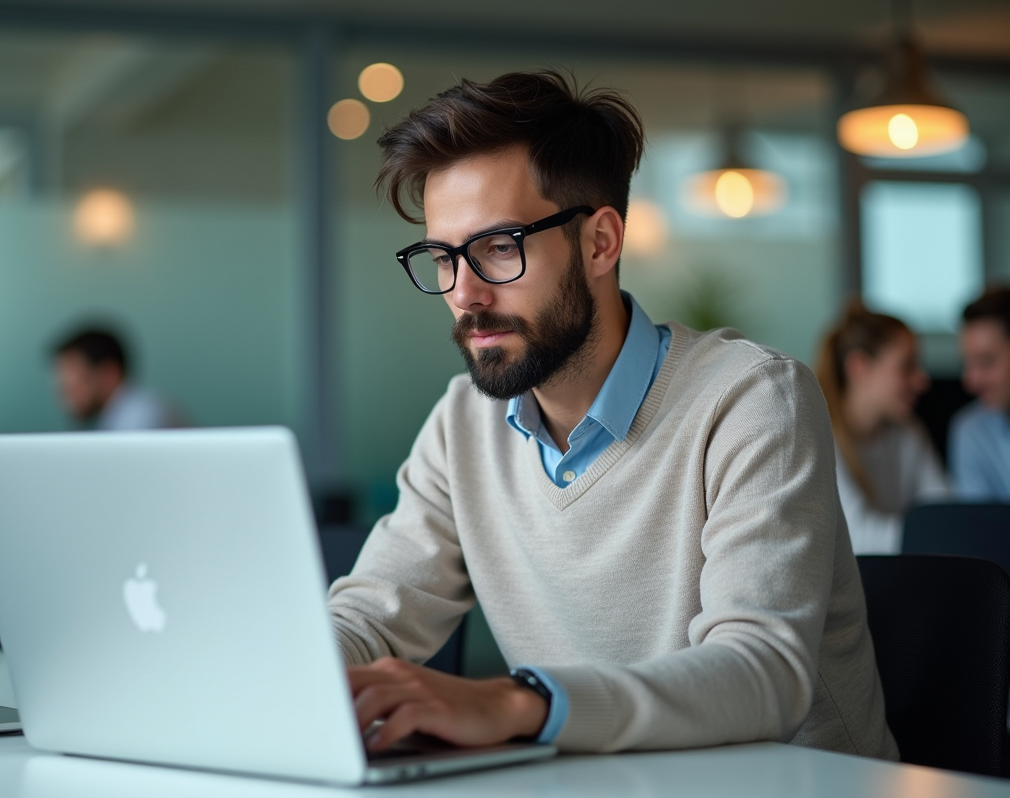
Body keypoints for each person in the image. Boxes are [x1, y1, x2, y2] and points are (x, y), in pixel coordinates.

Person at [328, 71, 896, 760]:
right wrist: (282, 666)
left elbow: (762, 676)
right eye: (442, 257)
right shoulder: (462, 427)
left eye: (499, 248)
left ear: (600, 242)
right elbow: (369, 618)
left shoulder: (751, 399)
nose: (465, 294)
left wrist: (514, 702)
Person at [814, 302, 948, 554]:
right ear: (860, 368)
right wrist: (939, 533)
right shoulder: (819, 438)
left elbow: (943, 508)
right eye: (907, 366)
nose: (922, 380)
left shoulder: (908, 432)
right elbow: (856, 536)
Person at [51, 325, 184, 430]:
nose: (66, 401)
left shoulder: (141, 419)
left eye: (72, 387)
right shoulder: (119, 419)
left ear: (109, 374)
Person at [950, 286, 1010, 500]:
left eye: (986, 362)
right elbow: (979, 529)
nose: (971, 382)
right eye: (967, 363)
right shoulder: (971, 431)